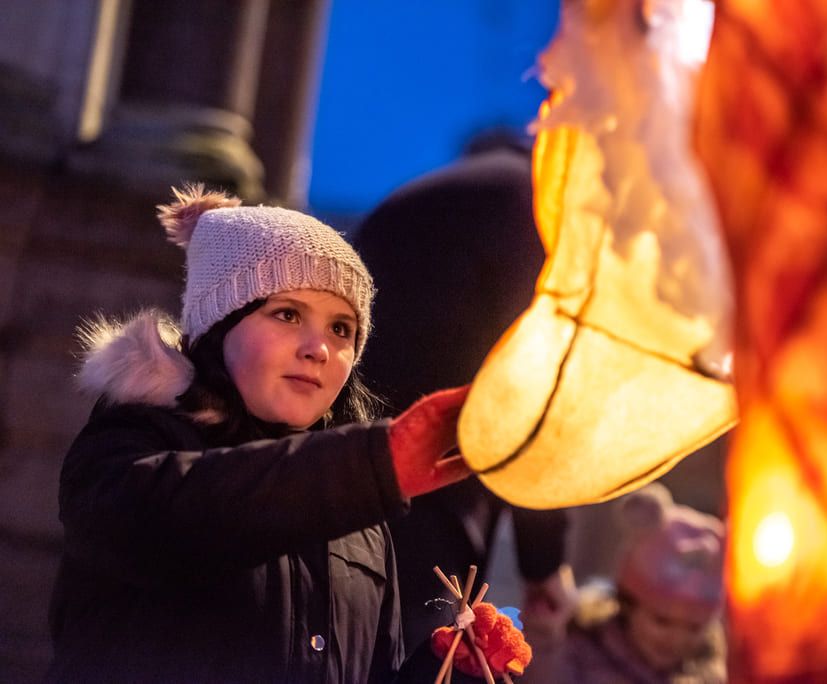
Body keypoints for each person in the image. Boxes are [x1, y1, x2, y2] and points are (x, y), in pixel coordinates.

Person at [46, 185, 471, 683]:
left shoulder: (361, 513)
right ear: (217, 323)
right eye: (287, 314)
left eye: (342, 329)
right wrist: (368, 467)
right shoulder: (134, 441)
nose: (319, 349)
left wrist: (446, 668)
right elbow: (166, 520)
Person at [353, 133, 572, 653]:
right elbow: (534, 394)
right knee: (413, 656)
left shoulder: (457, 191)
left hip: (342, 458)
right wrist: (543, 561)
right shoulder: (541, 209)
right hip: (425, 485)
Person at [520, 483, 726, 684]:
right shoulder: (576, 652)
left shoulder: (710, 674)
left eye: (694, 627)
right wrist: (544, 636)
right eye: (661, 621)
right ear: (628, 604)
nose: (677, 638)